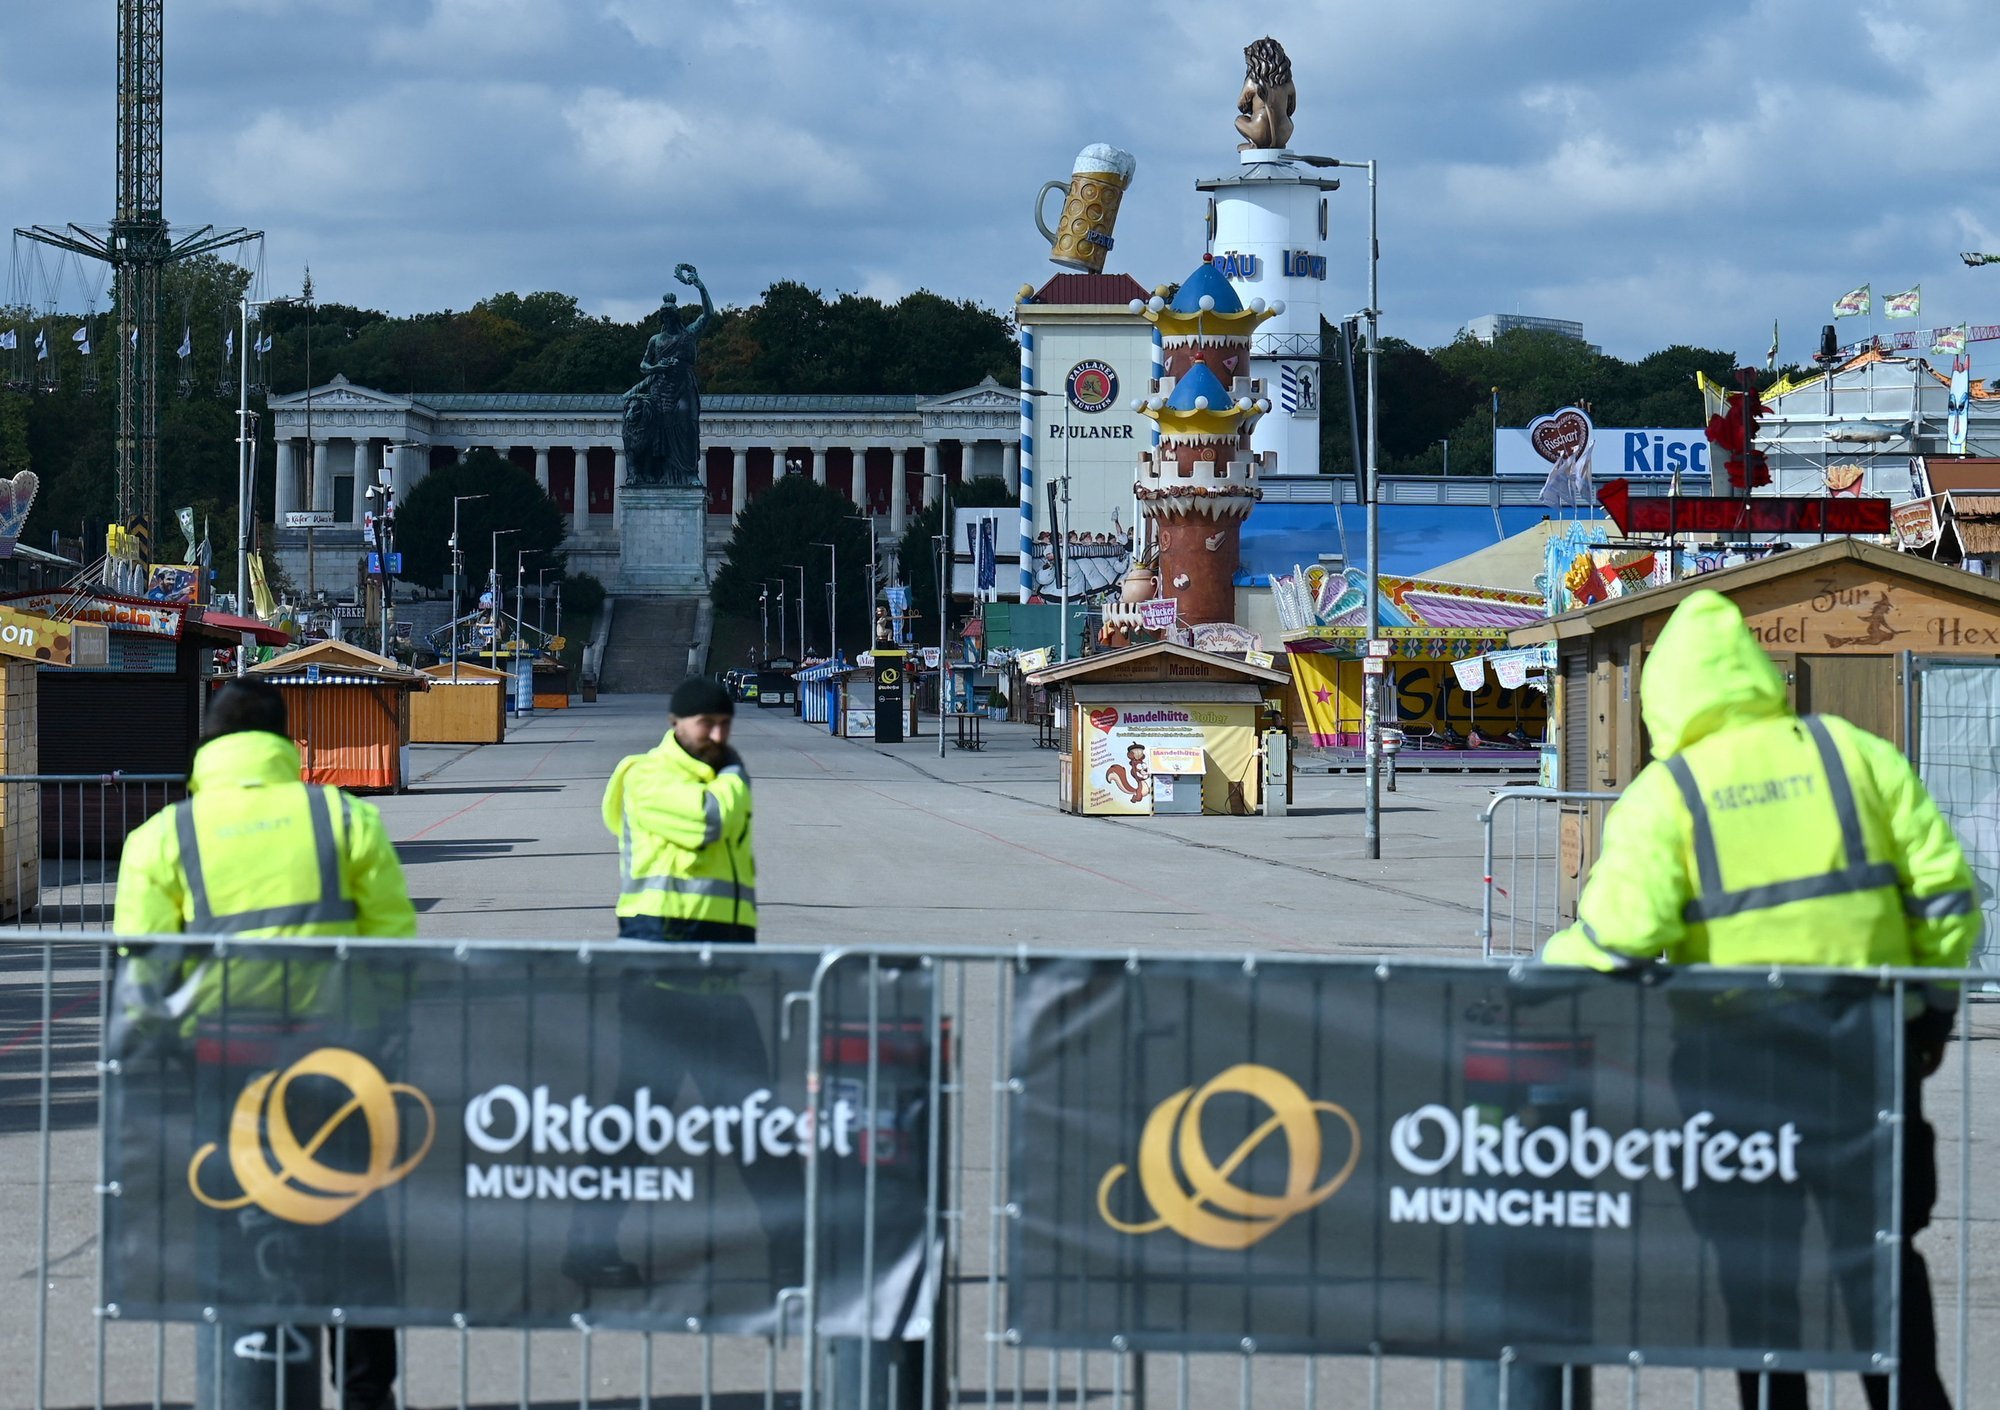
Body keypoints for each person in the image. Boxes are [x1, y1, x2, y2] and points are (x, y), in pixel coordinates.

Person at [1544, 590, 1979, 1410]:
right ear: (1756, 675)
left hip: (1734, 1072)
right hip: (1867, 1058)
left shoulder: (1669, 795)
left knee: (1758, 1269)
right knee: (1880, 1253)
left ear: (1660, 701)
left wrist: (1532, 979)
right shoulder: (1854, 754)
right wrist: (1932, 1012)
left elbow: (1615, 940)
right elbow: (1948, 897)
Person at [114, 678, 417, 1410]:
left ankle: (245, 1379)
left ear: (209, 745)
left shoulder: (163, 834)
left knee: (233, 1222)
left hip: (221, 1073)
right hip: (332, 1066)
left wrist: (166, 1055)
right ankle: (368, 1394)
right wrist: (371, 1040)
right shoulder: (341, 818)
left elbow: (145, 967)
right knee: (355, 1230)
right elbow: (393, 947)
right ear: (288, 742)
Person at [566, 676, 792, 1290]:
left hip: (718, 980)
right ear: (675, 722)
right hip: (660, 984)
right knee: (633, 1129)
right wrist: (736, 777)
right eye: (706, 726)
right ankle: (588, 1248)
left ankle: (793, 1253)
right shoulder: (647, 775)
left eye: (725, 726)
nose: (718, 736)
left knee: (758, 1126)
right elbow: (706, 825)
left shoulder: (713, 774)